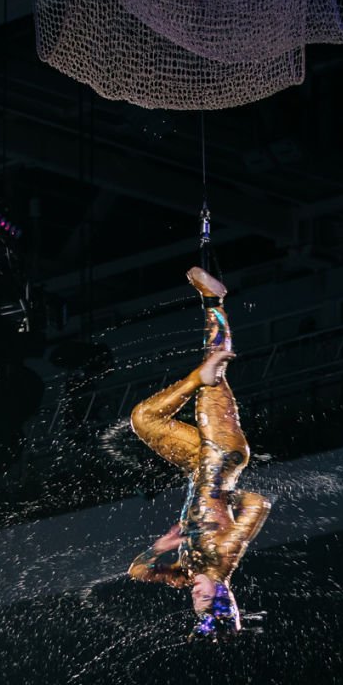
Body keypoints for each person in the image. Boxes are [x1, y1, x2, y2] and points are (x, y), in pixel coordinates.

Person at [127, 267, 271, 637]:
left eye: (195, 602)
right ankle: (214, 298)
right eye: (205, 598)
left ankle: (197, 376)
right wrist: (222, 491)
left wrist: (161, 547)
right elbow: (258, 504)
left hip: (197, 463)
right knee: (214, 367)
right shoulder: (224, 556)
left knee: (144, 419)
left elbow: (137, 572)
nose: (195, 595)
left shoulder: (188, 571)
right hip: (223, 455)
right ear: (222, 594)